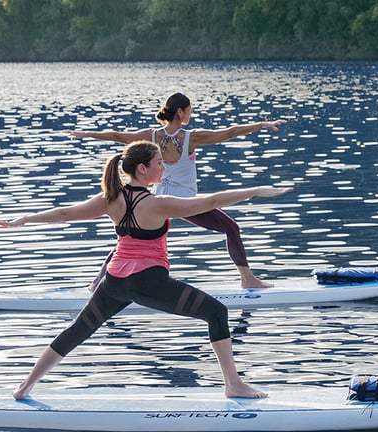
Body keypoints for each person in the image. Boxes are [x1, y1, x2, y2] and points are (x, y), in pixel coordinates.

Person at [0, 140, 292, 401]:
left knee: (78, 330)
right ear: (142, 170)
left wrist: (24, 219)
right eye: (159, 163)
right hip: (148, 281)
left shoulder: (111, 199)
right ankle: (233, 384)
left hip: (114, 281)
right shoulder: (158, 204)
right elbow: (210, 201)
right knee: (216, 312)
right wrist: (255, 190)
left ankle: (24, 387)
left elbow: (64, 214)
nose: (164, 168)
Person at [70, 92, 286, 289]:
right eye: (189, 109)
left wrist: (84, 134)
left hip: (157, 201)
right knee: (231, 228)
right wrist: (261, 124)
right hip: (183, 204)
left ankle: (97, 283)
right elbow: (229, 133)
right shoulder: (191, 137)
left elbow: (117, 135)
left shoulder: (151, 135)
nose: (190, 113)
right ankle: (248, 279)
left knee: (132, 239)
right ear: (180, 112)